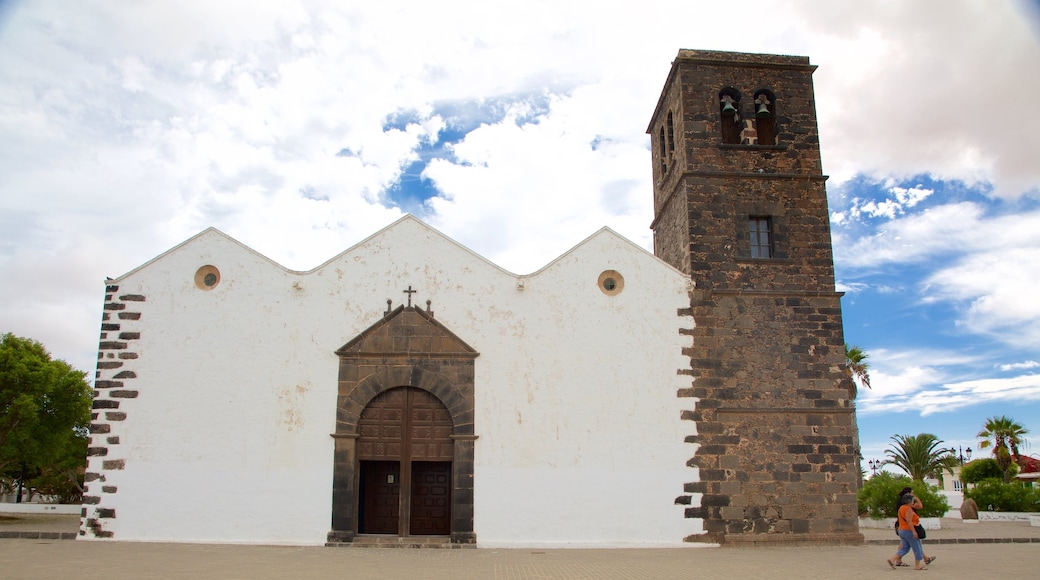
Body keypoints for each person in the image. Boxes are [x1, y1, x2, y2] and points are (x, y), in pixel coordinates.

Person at [891, 488, 936, 568]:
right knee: (917, 547)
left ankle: (893, 559)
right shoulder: (908, 509)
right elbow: (909, 521)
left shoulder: (902, 507)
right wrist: (914, 531)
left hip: (902, 529)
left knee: (905, 547)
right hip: (908, 529)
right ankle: (917, 565)